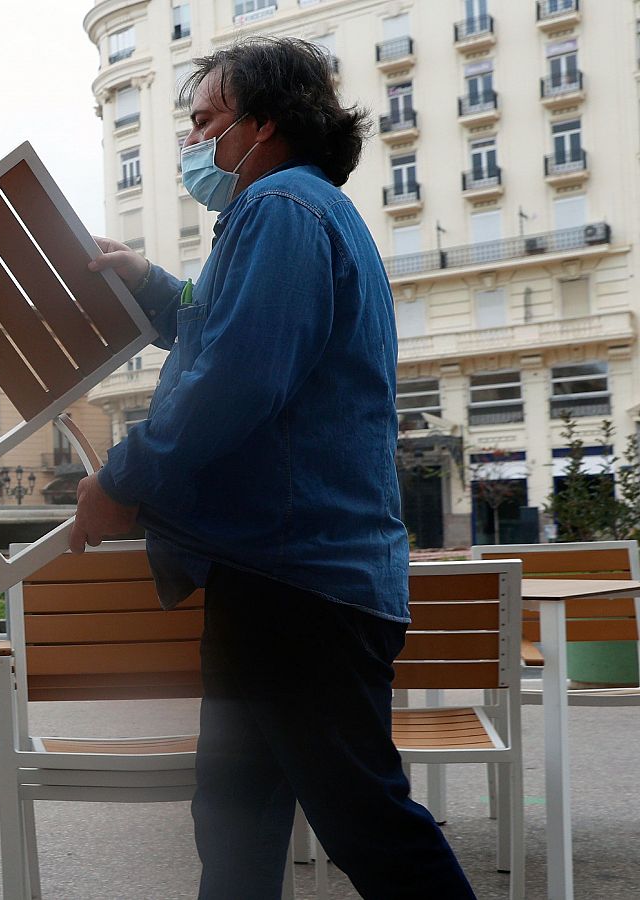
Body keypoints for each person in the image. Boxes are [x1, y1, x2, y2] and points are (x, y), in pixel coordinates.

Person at [70, 38, 475, 898]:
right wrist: (147, 283)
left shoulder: (281, 210)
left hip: (300, 584)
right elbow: (223, 330)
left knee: (362, 824)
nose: (192, 141)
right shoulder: (300, 210)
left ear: (264, 125)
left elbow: (234, 378)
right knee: (236, 822)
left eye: (206, 120)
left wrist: (122, 477)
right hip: (282, 580)